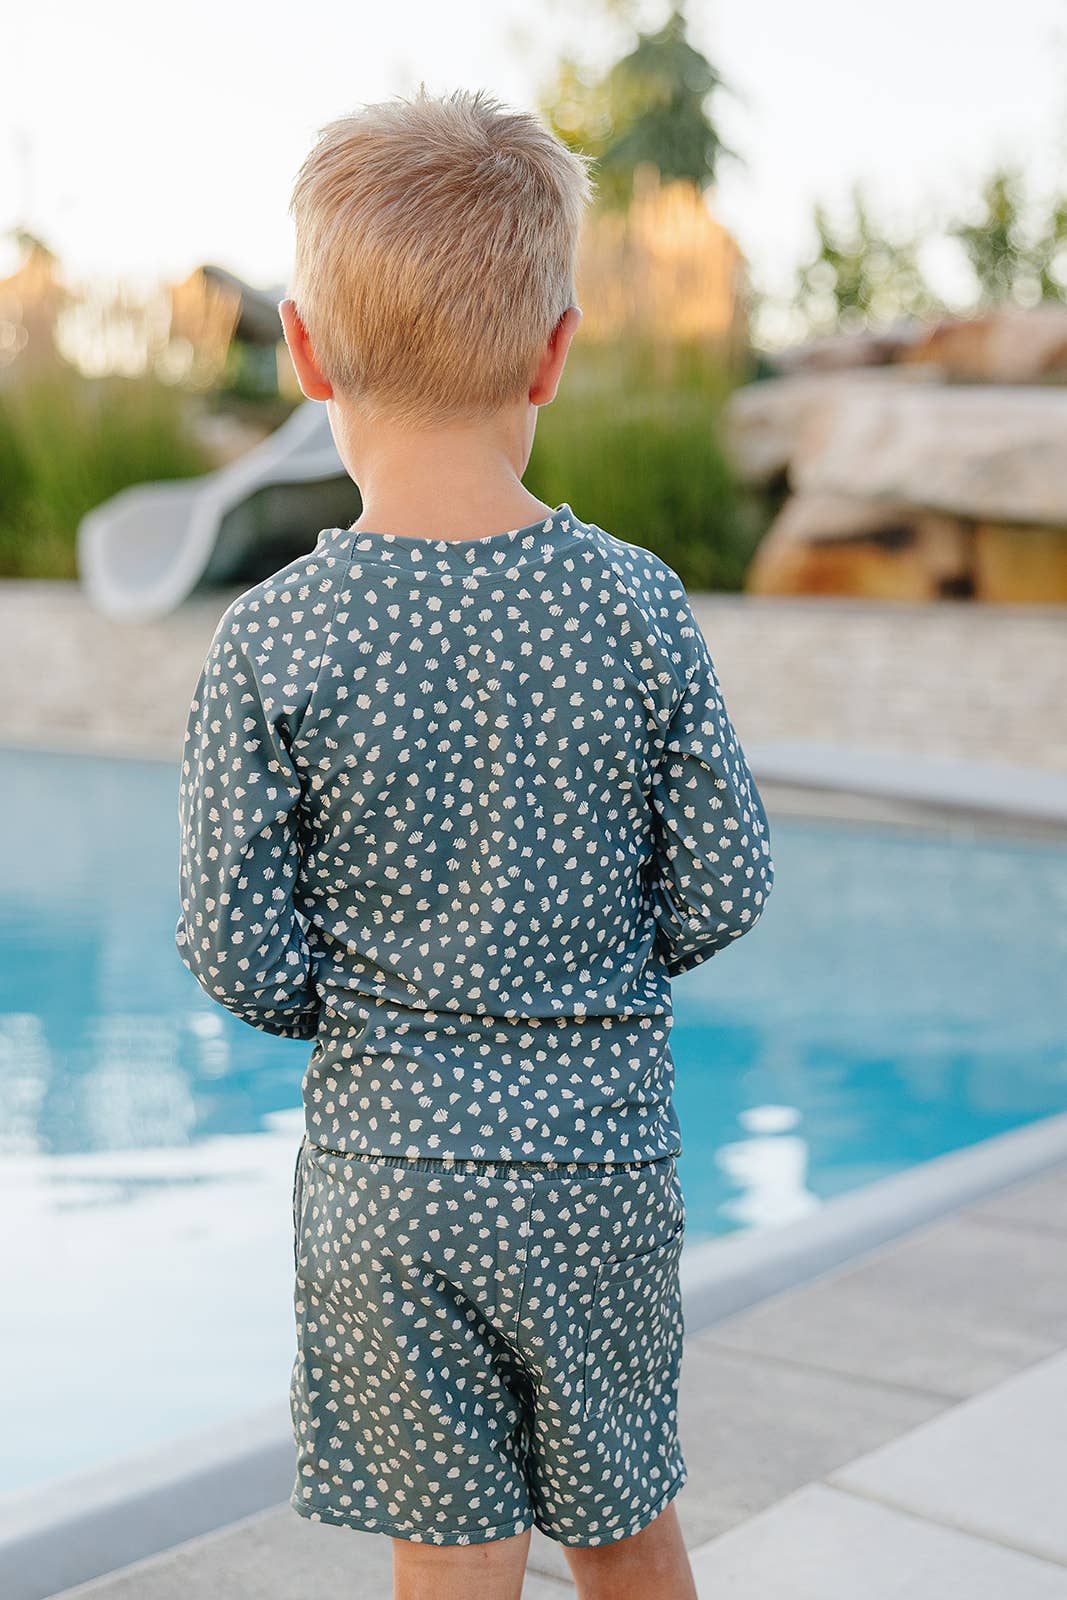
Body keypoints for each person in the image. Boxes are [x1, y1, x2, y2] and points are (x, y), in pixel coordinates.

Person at [174, 83, 774, 1600]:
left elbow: (236, 948)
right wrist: (584, 960)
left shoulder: (272, 638)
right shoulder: (635, 603)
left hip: (388, 1170)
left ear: (303, 351)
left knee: (452, 1558)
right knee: (625, 1522)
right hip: (598, 1164)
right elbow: (724, 880)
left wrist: (385, 1011)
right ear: (556, 351)